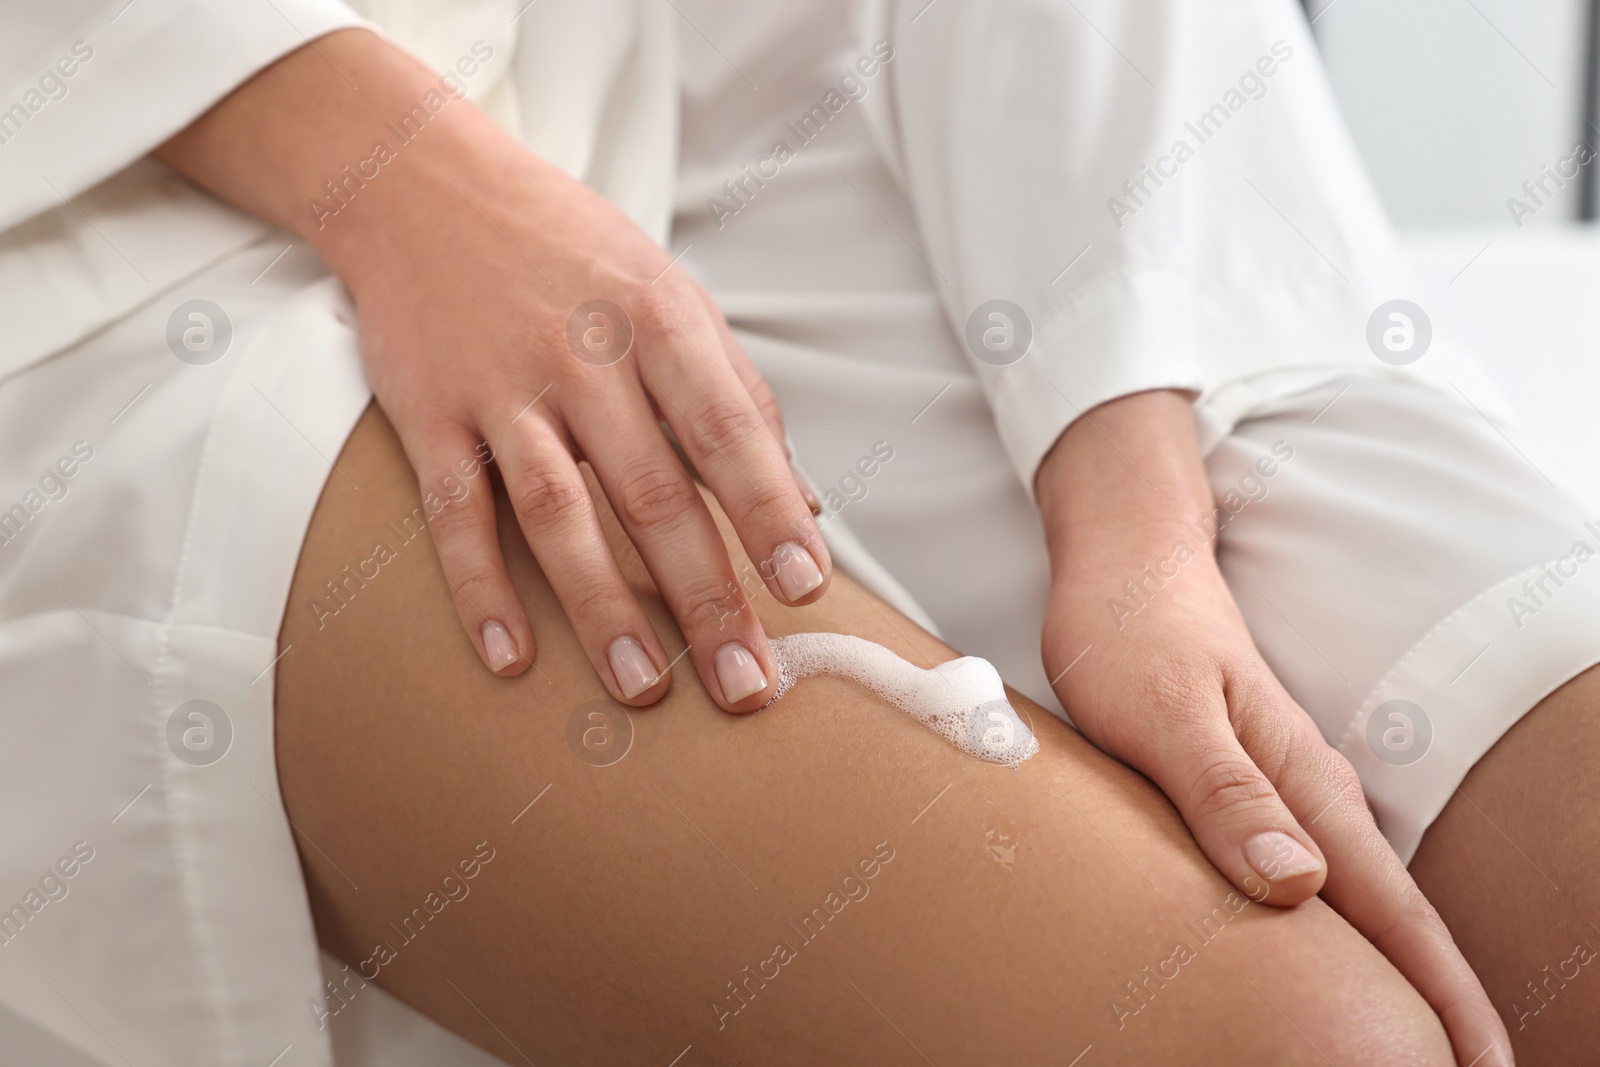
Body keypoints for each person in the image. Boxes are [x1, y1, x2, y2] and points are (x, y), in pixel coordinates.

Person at [1, 0, 1594, 1064]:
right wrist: (403, 178)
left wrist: (1135, 510)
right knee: (1300, 1045)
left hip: (825, 74)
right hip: (139, 165)